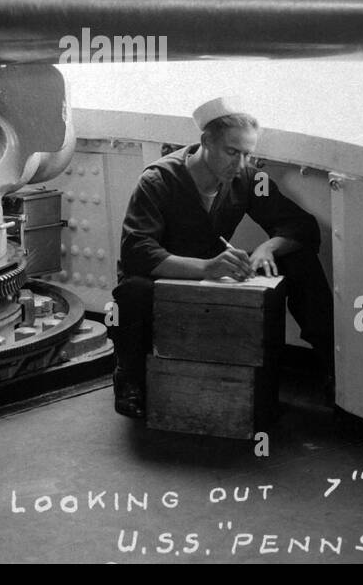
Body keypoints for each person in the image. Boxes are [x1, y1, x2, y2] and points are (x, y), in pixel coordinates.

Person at [110, 96, 335, 419]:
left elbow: (299, 225)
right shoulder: (158, 181)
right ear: (206, 142)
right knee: (133, 291)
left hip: (213, 267)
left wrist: (267, 248)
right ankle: (128, 377)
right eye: (232, 152)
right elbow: (138, 253)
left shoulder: (246, 179)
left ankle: (331, 367)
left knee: (297, 259)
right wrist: (206, 267)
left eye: (248, 154)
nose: (241, 163)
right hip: (163, 272)